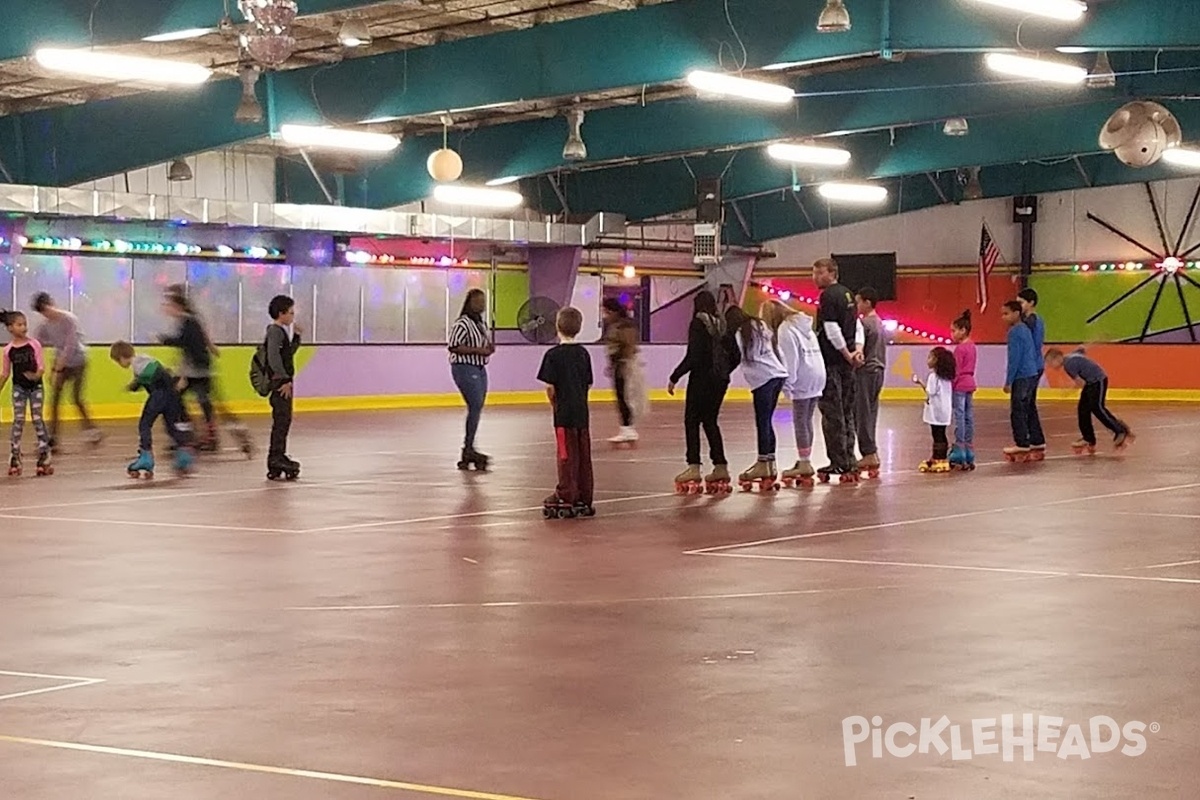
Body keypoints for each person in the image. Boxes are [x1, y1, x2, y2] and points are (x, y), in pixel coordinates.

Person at [158, 285, 251, 456]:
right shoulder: (188, 320)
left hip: (198, 371)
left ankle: (209, 437)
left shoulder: (188, 321)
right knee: (186, 400)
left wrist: (164, 340)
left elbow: (187, 344)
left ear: (177, 305)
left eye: (168, 304)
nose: (166, 308)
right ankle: (192, 436)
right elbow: (194, 343)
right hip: (195, 369)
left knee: (204, 403)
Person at [668, 290, 739, 493]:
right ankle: (720, 465)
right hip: (720, 381)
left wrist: (675, 376)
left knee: (692, 421)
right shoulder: (723, 324)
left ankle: (693, 467)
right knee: (710, 421)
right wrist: (723, 372)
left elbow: (693, 356)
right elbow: (736, 355)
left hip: (701, 379)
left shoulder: (698, 323)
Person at [537, 307, 595, 518]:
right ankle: (584, 494)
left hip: (563, 415)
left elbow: (550, 388)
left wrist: (555, 404)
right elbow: (588, 384)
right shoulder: (583, 354)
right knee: (583, 455)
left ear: (557, 327)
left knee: (565, 455)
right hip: (581, 413)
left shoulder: (553, 355)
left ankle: (566, 492)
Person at [762, 299, 826, 488]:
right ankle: (805, 458)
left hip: (803, 376)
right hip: (817, 373)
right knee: (806, 420)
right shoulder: (803, 325)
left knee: (800, 420)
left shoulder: (785, 330)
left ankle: (804, 463)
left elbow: (791, 359)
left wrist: (786, 385)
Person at [812, 258, 865, 482]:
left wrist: (845, 353)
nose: (814, 277)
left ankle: (838, 462)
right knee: (847, 411)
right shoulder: (848, 295)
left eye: (818, 272)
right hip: (848, 364)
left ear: (831, 273)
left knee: (832, 413)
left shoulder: (828, 296)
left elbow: (831, 329)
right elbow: (857, 326)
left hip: (832, 362)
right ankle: (850, 459)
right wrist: (857, 352)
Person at [109, 341, 194, 478]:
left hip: (160, 394)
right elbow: (159, 371)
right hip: (172, 395)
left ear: (122, 358)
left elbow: (151, 373)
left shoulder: (138, 363)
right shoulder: (144, 359)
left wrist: (135, 384)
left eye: (119, 362)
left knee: (145, 424)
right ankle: (183, 454)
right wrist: (136, 385)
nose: (121, 365)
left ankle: (146, 456)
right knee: (171, 426)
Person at [31, 292, 100, 451]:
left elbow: (71, 346)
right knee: (54, 400)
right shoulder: (45, 325)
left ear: (52, 303)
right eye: (42, 312)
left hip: (78, 362)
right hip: (61, 362)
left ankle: (92, 430)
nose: (46, 314)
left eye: (46, 309)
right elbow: (37, 343)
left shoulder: (69, 320)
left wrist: (57, 368)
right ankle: (52, 437)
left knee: (76, 398)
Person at [730, 305, 788, 489]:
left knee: (763, 422)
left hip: (763, 378)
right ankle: (770, 463)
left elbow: (739, 356)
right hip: (777, 373)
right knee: (767, 421)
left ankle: (763, 462)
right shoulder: (760, 325)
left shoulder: (741, 332)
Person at [1045, 347, 1134, 453]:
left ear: (1058, 358)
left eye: (1051, 362)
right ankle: (1088, 438)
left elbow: (1080, 383)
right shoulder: (1069, 357)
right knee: (1083, 410)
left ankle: (1119, 431)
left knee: (1097, 408)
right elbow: (1081, 351)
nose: (1050, 366)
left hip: (1097, 381)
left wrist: (1068, 391)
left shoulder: (1069, 365)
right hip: (1091, 383)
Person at [0, 311, 52, 476]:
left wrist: (36, 375)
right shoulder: (8, 350)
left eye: (24, 324)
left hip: (35, 388)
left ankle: (44, 455)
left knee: (37, 419)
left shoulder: (34, 344)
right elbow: (5, 373)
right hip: (19, 389)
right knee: (18, 420)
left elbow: (41, 366)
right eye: (19, 324)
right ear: (10, 328)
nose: (23, 327)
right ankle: (15, 455)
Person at [448, 288, 493, 471]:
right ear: (469, 303)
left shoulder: (481, 324)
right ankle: (467, 447)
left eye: (483, 301)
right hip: (464, 367)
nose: (481, 305)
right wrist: (478, 351)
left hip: (480, 367)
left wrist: (488, 348)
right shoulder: (463, 323)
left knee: (478, 405)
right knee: (475, 405)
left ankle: (469, 447)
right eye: (478, 301)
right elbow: (453, 346)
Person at [265, 295, 302, 481]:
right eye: (290, 313)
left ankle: (278, 456)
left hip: (283, 382)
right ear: (281, 313)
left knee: (283, 421)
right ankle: (275, 457)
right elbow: (274, 358)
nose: (292, 316)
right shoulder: (275, 331)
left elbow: (287, 355)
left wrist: (296, 337)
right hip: (281, 384)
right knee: (281, 420)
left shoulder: (280, 333)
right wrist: (284, 379)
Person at [1002, 300, 1041, 461]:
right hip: (1032, 373)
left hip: (1021, 375)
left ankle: (1022, 443)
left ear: (1016, 314)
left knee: (1017, 411)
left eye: (1006, 313)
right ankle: (1036, 440)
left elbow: (1014, 358)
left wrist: (1008, 381)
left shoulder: (1015, 332)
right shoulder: (1025, 329)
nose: (1003, 317)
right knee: (1029, 409)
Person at [853, 287, 886, 477]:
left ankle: (868, 452)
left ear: (867, 302)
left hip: (865, 371)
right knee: (871, 411)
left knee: (862, 413)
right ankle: (871, 450)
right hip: (878, 370)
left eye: (858, 302)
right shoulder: (879, 322)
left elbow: (859, 349)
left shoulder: (864, 324)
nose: (856, 306)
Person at [601, 298, 641, 445]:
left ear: (613, 311)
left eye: (606, 312)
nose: (605, 315)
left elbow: (628, 346)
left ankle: (628, 428)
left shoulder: (624, 326)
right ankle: (626, 428)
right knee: (621, 396)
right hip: (619, 364)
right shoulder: (617, 325)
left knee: (624, 396)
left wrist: (622, 363)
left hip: (624, 365)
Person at [912, 346, 956, 473]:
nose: (928, 360)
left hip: (936, 411)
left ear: (936, 360)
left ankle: (939, 457)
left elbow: (930, 392)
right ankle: (940, 457)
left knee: (937, 434)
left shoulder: (933, 376)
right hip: (944, 410)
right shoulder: (946, 378)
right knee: (941, 434)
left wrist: (920, 383)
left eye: (930, 357)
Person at [1017, 287, 1047, 456]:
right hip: (1035, 365)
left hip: (1031, 366)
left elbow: (1026, 345)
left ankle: (1028, 439)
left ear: (1031, 303)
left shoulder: (1030, 321)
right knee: (1029, 404)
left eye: (1021, 302)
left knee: (1024, 404)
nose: (1019, 305)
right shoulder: (1037, 320)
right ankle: (1036, 438)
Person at [949, 309, 977, 470]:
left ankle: (960, 448)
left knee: (959, 416)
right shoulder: (972, 346)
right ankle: (969, 448)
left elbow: (956, 370)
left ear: (963, 330)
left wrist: (951, 385)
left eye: (954, 330)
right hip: (970, 382)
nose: (952, 334)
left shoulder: (960, 349)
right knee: (968, 416)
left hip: (960, 384)